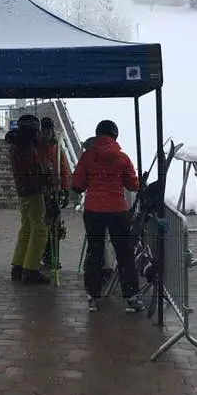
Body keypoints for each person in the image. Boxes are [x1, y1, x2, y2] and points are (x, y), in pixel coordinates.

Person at [72, 119, 143, 313]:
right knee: (124, 252)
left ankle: (93, 295)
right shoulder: (122, 158)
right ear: (115, 135)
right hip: (117, 211)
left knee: (95, 251)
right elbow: (133, 185)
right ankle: (131, 295)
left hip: (94, 210)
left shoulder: (88, 156)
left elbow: (77, 184)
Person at [7, 114, 52, 284]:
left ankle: (18, 265)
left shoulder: (16, 145)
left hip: (23, 191)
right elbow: (33, 171)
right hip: (33, 191)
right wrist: (45, 177)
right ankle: (31, 269)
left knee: (26, 228)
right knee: (39, 229)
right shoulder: (26, 147)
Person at [38, 117, 71, 270]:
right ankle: (43, 256)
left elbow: (64, 168)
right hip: (40, 194)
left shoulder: (56, 148)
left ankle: (53, 257)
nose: (46, 133)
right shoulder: (36, 147)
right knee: (41, 228)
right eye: (44, 130)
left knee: (55, 228)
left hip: (54, 194)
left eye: (48, 130)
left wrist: (65, 189)